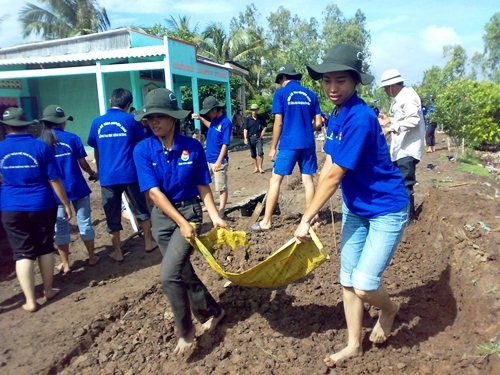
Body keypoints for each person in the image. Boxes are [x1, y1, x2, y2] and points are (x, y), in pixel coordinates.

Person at [294, 44, 409, 368]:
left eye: (341, 81)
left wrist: (307, 216)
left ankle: (388, 309)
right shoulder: (337, 114)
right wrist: (315, 210)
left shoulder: (359, 117)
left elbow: (334, 175)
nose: (332, 88)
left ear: (355, 82)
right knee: (347, 279)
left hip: (386, 208)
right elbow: (329, 161)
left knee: (365, 283)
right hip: (356, 207)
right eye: (327, 81)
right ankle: (353, 344)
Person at [133, 88, 227, 355]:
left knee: (168, 275)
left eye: (160, 116)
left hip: (189, 212)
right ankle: (213, 310)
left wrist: (215, 216)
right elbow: (153, 192)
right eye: (150, 117)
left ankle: (186, 332)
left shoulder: (193, 147)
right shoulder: (143, 150)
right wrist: (179, 223)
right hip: (163, 218)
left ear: (174, 118)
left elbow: (203, 186)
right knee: (182, 271)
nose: (154, 122)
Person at [0, 107, 72, 312]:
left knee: (22, 253)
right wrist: (65, 203)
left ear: (6, 128)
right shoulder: (40, 147)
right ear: (27, 126)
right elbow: (54, 179)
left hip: (10, 206)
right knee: (44, 248)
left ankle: (30, 301)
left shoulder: (1, 148)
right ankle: (48, 291)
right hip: (41, 204)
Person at [251, 64, 323, 231]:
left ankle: (266, 221)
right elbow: (318, 123)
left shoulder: (281, 93)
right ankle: (312, 219)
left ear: (283, 78)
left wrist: (273, 147)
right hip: (308, 143)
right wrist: (306, 127)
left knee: (276, 179)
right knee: (308, 180)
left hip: (289, 143)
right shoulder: (311, 94)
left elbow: (278, 122)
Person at [87, 88, 155, 262]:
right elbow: (141, 145)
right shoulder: (131, 121)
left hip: (108, 176)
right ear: (129, 104)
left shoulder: (97, 122)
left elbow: (96, 150)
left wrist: (100, 170)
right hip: (130, 173)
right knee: (141, 208)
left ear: (111, 101)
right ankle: (148, 242)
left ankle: (117, 252)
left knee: (112, 214)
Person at [40, 105, 99, 274]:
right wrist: (92, 173)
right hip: (77, 187)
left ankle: (65, 263)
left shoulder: (39, 143)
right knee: (85, 223)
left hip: (54, 193)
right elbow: (83, 163)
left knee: (60, 228)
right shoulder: (72, 138)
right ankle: (92, 257)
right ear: (61, 122)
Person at [378, 69, 425, 222]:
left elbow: (414, 120)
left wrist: (392, 127)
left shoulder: (408, 97)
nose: (385, 91)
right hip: (401, 148)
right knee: (398, 182)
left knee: (405, 183)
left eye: (385, 88)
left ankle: (407, 219)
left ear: (392, 86)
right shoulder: (401, 97)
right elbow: (403, 118)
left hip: (408, 149)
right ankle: (401, 214)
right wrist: (390, 120)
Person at [191, 96, 232, 217]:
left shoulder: (226, 122)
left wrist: (219, 161)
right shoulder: (214, 121)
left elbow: (225, 144)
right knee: (203, 182)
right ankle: (208, 204)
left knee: (221, 187)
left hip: (219, 159)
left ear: (215, 109)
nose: (208, 114)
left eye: (209, 112)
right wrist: (200, 118)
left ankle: (222, 210)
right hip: (208, 158)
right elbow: (211, 127)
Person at [243, 103, 267, 173]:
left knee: (260, 152)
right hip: (250, 138)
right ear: (251, 110)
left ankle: (260, 167)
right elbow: (245, 129)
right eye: (253, 110)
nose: (254, 111)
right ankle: (256, 167)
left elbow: (265, 126)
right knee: (253, 154)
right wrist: (245, 138)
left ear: (257, 110)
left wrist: (263, 131)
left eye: (255, 110)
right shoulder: (248, 119)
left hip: (259, 137)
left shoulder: (260, 118)